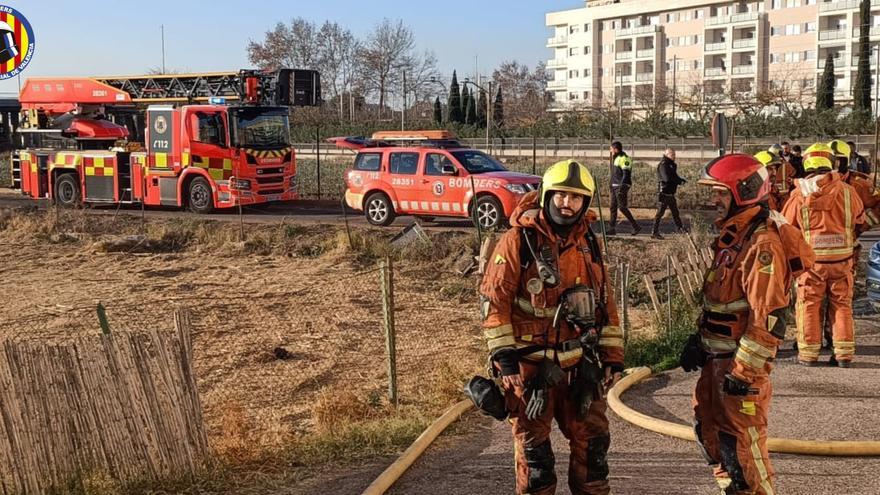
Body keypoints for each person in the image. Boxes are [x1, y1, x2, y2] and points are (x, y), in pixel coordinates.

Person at [480, 159, 624, 495]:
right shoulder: (519, 241)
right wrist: (505, 359)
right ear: (546, 195)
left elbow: (606, 303)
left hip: (579, 370)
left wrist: (613, 356)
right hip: (531, 374)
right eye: (560, 195)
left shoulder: (589, 242)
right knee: (537, 463)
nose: (566, 203)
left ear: (585, 203)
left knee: (594, 449)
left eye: (575, 198)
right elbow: (494, 302)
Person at [681, 153, 814, 494]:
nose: (714, 200)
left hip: (738, 371)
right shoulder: (734, 239)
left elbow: (767, 319)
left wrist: (743, 373)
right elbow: (723, 302)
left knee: (744, 453)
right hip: (717, 363)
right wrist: (700, 340)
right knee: (716, 443)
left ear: (744, 191)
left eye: (721, 193)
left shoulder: (762, 245)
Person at [782, 143, 865, 367]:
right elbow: (859, 218)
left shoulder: (799, 194)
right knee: (842, 305)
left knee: (808, 304)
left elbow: (787, 226)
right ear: (830, 162)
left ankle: (808, 355)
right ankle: (844, 355)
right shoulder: (848, 192)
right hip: (842, 261)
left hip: (811, 264)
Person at [651, 147, 686, 239]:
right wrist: (677, 181)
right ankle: (654, 232)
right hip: (664, 193)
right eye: (672, 154)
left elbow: (674, 176)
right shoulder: (663, 165)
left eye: (674, 154)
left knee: (675, 212)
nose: (674, 156)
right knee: (660, 214)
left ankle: (680, 229)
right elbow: (666, 178)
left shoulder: (672, 165)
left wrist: (681, 180)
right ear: (667, 154)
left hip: (670, 193)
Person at [608, 141, 640, 236]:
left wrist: (622, 188)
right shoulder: (616, 158)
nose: (610, 151)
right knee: (612, 207)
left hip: (621, 187)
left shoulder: (624, 159)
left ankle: (636, 226)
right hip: (614, 187)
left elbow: (626, 174)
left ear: (616, 149)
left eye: (611, 149)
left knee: (622, 207)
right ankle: (612, 229)